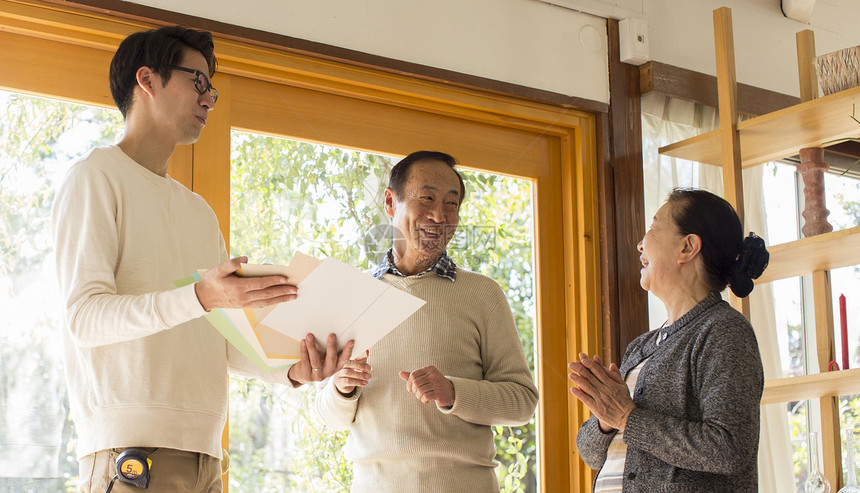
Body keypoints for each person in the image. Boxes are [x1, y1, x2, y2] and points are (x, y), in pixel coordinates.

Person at [51, 26, 353, 493]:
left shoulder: (198, 212)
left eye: (211, 87)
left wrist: (293, 371)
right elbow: (85, 318)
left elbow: (223, 342)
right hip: (130, 454)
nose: (210, 99)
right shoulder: (94, 178)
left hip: (208, 457)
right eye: (197, 82)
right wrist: (200, 295)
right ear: (147, 80)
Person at [315, 150, 539, 492]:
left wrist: (453, 392)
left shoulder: (483, 294)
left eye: (452, 203)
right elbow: (326, 417)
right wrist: (342, 388)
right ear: (390, 203)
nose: (440, 215)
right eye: (427, 198)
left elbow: (522, 402)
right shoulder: (352, 295)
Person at [569, 188, 769, 492]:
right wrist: (605, 419)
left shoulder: (725, 331)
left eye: (653, 228)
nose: (640, 243)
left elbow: (728, 449)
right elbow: (591, 454)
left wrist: (626, 417)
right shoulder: (640, 348)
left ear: (687, 247)